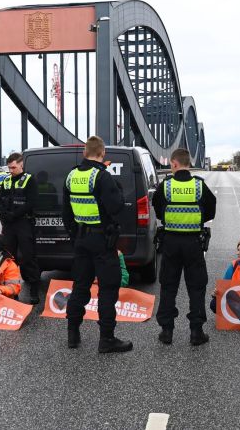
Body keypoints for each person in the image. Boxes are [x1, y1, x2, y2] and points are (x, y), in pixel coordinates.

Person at [62, 136, 132, 353]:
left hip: (81, 239)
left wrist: (75, 235)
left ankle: (73, 334)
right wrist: (118, 188)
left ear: (85, 153)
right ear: (102, 154)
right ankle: (107, 339)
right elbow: (116, 207)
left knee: (80, 286)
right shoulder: (102, 177)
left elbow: (65, 212)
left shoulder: (71, 176)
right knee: (108, 289)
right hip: (102, 240)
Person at [153, 148, 217, 346]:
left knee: (168, 286)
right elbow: (210, 210)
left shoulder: (166, 186)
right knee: (196, 287)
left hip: (170, 242)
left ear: (174, 164)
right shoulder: (199, 186)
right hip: (193, 243)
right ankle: (196, 332)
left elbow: (157, 209)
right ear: (188, 163)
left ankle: (167, 331)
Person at [0, 152, 41, 304]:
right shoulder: (7, 180)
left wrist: (14, 214)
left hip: (23, 223)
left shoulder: (29, 180)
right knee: (9, 258)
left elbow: (32, 202)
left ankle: (34, 290)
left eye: (13, 167)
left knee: (28, 257)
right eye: (9, 168)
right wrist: (4, 213)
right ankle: (11, 290)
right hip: (9, 225)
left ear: (21, 165)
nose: (11, 171)